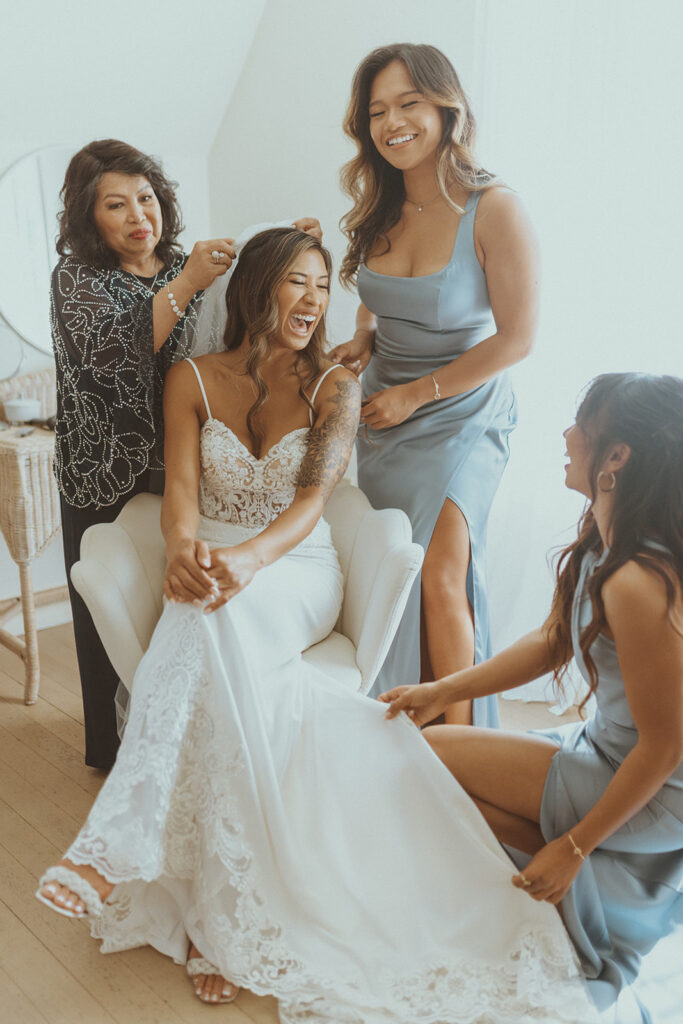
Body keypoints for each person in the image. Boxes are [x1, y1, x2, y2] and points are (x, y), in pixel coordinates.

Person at [36, 228, 596, 1024]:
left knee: (210, 620)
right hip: (212, 566)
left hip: (295, 570)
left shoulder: (333, 385)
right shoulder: (192, 378)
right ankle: (212, 914)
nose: (311, 301)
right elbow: (182, 492)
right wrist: (182, 549)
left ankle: (113, 845)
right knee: (204, 624)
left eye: (321, 285)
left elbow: (309, 507)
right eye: (296, 283)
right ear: (256, 288)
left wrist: (250, 563)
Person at [382, 372, 683, 1023]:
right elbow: (551, 640)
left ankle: (577, 879)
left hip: (658, 788)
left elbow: (663, 749)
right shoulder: (606, 540)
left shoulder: (638, 579)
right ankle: (586, 883)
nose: (566, 434)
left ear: (616, 457)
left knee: (430, 757)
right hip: (610, 752)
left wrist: (572, 847)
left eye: (581, 423)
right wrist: (441, 687)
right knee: (430, 767)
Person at [51, 138, 319, 770]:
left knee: (165, 597)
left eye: (146, 198)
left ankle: (174, 725)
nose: (138, 215)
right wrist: (191, 279)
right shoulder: (77, 279)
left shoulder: (183, 263)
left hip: (176, 464)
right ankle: (114, 747)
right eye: (116, 205)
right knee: (107, 602)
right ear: (90, 217)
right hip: (101, 469)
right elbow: (114, 354)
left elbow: (240, 296)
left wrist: (281, 242)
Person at [331, 43, 539, 724]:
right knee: (399, 572)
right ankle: (404, 725)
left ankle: (466, 754)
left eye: (408, 104)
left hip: (463, 412)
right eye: (377, 111)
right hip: (383, 413)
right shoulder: (379, 206)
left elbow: (517, 338)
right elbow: (375, 289)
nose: (392, 123)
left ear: (445, 106)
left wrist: (417, 395)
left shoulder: (495, 207)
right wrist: (363, 338)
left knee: (443, 577)